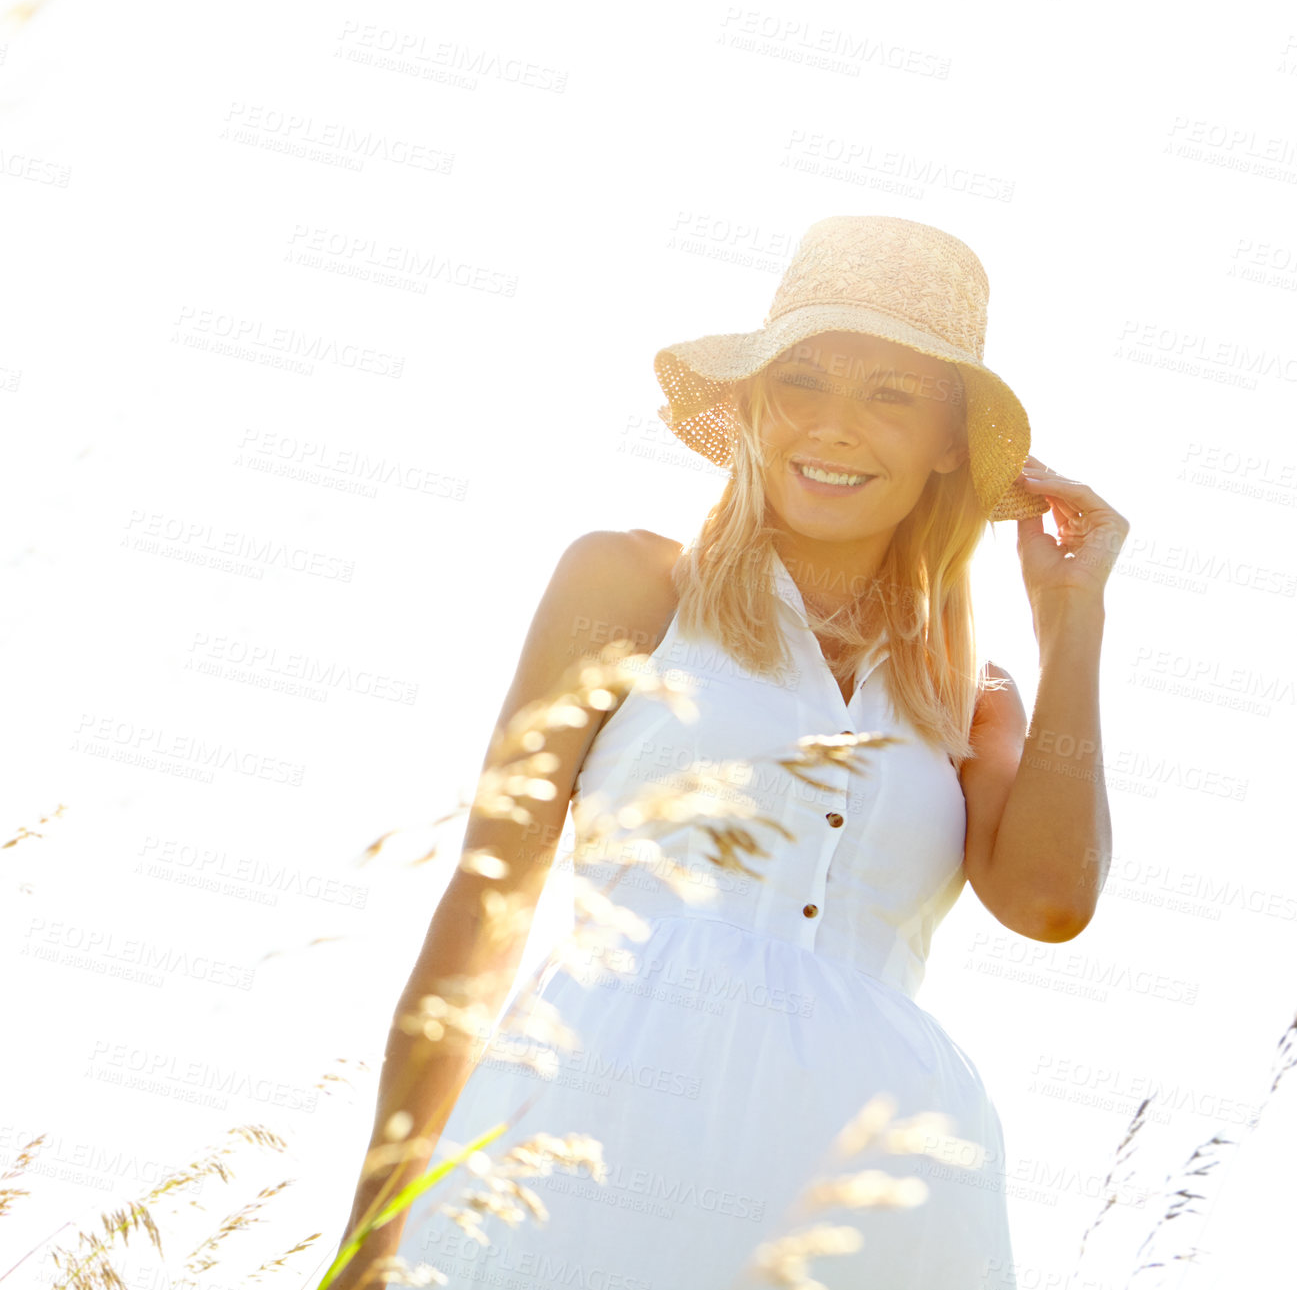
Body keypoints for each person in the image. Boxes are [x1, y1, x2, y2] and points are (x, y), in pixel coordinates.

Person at [332, 215, 1128, 1289]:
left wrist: (1071, 614)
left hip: (882, 1182)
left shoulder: (968, 697)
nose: (835, 429)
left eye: (889, 395)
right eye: (803, 383)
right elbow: (487, 907)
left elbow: (1051, 904)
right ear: (753, 405)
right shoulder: (629, 587)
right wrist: (375, 1228)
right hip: (598, 1131)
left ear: (948, 441)